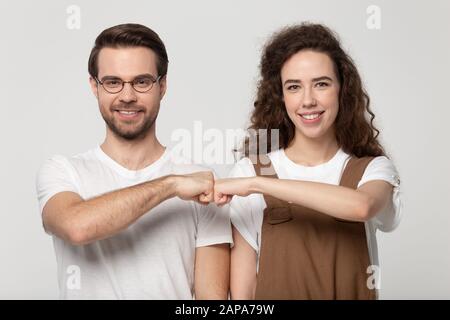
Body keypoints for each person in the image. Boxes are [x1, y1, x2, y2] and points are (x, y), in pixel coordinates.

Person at [36, 23, 232, 299]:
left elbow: (211, 301)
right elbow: (76, 227)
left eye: (142, 82)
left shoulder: (202, 180)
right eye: (113, 82)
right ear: (95, 86)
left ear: (162, 86)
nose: (127, 96)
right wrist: (171, 185)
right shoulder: (63, 171)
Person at [214, 23, 402, 300]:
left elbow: (361, 206)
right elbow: (244, 294)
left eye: (321, 84)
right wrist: (256, 179)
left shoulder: (372, 169)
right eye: (293, 87)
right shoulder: (251, 169)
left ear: (342, 90)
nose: (308, 100)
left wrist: (259, 184)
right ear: (281, 97)